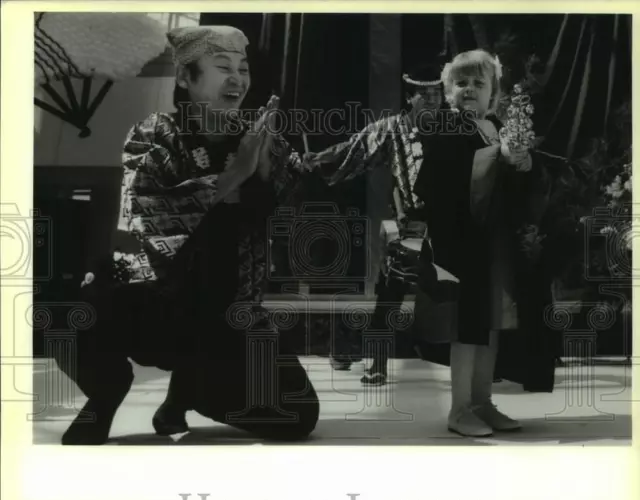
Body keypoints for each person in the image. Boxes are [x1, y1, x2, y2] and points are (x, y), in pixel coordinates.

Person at [53, 26, 320, 445]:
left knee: (296, 416)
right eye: (222, 68)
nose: (237, 79)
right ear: (185, 78)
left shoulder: (260, 138)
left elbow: (298, 198)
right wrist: (236, 174)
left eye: (242, 68)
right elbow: (150, 218)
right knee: (69, 320)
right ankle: (105, 396)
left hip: (228, 314)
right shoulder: (153, 134)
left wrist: (266, 171)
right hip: (154, 307)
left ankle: (189, 392)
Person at [412, 49, 551, 436]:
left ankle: (482, 401)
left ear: (494, 93)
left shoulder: (492, 126)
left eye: (479, 83)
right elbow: (444, 179)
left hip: (493, 241)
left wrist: (522, 163)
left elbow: (511, 183)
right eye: (461, 83)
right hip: (460, 241)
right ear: (447, 90)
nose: (469, 89)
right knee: (466, 327)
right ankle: (458, 408)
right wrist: (498, 157)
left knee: (490, 323)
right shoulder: (444, 126)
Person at [305, 59, 445, 385]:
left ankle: (478, 360)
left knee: (460, 289)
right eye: (425, 95)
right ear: (410, 97)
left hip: (451, 221)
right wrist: (319, 159)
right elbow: (355, 148)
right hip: (411, 220)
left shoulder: (454, 127)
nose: (433, 101)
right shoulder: (392, 128)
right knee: (391, 290)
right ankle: (376, 360)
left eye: (437, 94)